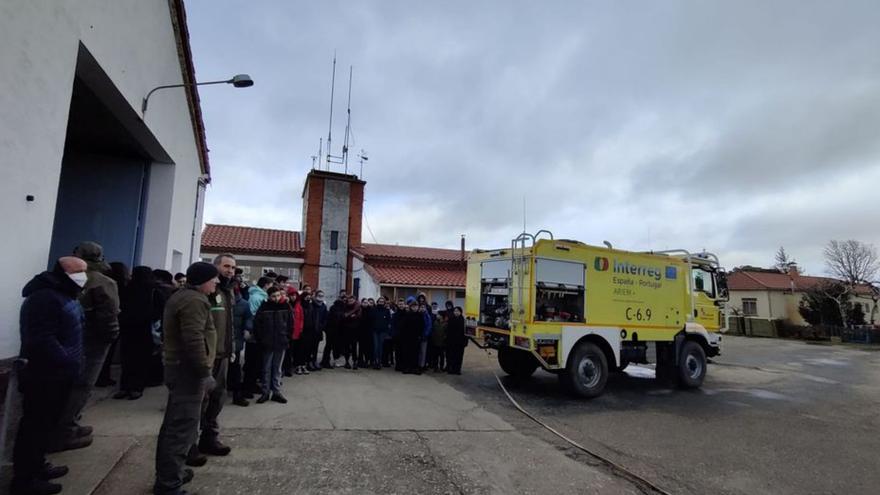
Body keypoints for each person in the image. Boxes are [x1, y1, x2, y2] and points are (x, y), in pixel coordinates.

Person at [11, 257, 87, 495]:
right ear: (64, 272)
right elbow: (42, 338)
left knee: (47, 423)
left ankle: (38, 465)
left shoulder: (65, 294)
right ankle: (24, 480)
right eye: (79, 271)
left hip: (61, 372)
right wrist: (66, 359)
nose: (84, 275)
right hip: (44, 373)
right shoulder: (45, 298)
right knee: (35, 425)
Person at [153, 262, 219, 495]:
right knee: (181, 428)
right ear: (203, 281)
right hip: (187, 372)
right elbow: (193, 339)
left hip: (180, 369)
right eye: (213, 279)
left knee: (174, 425)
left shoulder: (183, 297)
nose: (216, 283)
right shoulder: (194, 301)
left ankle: (172, 473)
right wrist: (205, 372)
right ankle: (169, 484)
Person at [50, 242, 119, 453]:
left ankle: (66, 425)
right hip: (92, 340)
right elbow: (110, 315)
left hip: (74, 339)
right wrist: (110, 337)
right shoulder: (103, 281)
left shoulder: (73, 279)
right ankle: (65, 428)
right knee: (82, 384)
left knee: (72, 384)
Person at [191, 254, 237, 463]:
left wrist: (231, 347)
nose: (230, 271)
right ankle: (189, 445)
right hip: (207, 356)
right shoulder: (207, 291)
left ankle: (209, 438)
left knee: (217, 399)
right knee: (199, 401)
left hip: (224, 354)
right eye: (226, 266)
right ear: (216, 267)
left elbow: (228, 324)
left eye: (233, 268)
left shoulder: (228, 291)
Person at [114, 266, 162, 400]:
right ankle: (135, 387)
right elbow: (160, 310)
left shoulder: (127, 289)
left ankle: (127, 387)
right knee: (141, 360)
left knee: (128, 359)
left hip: (130, 329)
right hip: (144, 330)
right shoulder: (154, 290)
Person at [253, 287, 291, 404]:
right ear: (269, 296)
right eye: (273, 296)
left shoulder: (285, 307)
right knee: (266, 368)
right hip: (267, 343)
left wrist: (286, 337)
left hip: (281, 342)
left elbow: (290, 324)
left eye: (278, 295)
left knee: (277, 368)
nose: (276, 298)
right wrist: (261, 339)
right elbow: (257, 325)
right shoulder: (264, 308)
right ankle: (265, 392)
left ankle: (276, 391)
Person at [96, 262, 131, 388]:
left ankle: (100, 376)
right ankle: (103, 376)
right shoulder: (124, 287)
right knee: (107, 352)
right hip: (115, 321)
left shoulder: (103, 283)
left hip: (99, 320)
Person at [242, 277, 272, 396]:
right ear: (265, 285)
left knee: (257, 362)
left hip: (260, 334)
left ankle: (252, 384)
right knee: (251, 362)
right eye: (270, 285)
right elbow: (253, 316)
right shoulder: (256, 297)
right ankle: (247, 387)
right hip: (254, 334)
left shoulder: (262, 296)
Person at [320, 292, 346, 369]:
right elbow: (338, 319)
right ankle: (327, 361)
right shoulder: (339, 308)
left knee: (329, 346)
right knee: (330, 346)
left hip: (332, 330)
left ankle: (326, 361)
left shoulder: (333, 307)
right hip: (333, 330)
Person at [284, 287, 306, 375]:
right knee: (288, 351)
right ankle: (287, 368)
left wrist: (300, 329)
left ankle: (293, 366)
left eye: (294, 295)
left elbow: (301, 318)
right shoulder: (286, 305)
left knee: (295, 350)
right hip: (288, 331)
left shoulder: (298, 306)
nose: (293, 297)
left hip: (296, 331)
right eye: (291, 295)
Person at [400, 297, 424, 374]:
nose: (415, 308)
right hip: (408, 338)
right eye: (413, 306)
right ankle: (407, 367)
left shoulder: (420, 316)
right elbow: (403, 327)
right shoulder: (407, 315)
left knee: (416, 353)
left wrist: (420, 335)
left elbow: (422, 326)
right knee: (407, 353)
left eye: (416, 306)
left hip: (417, 337)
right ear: (410, 307)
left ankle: (415, 368)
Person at [307, 290, 328, 370]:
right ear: (315, 295)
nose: (320, 297)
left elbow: (325, 317)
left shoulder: (323, 306)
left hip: (318, 330)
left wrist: (322, 326)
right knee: (309, 348)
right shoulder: (311, 305)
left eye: (322, 295)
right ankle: (309, 362)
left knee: (316, 347)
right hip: (311, 330)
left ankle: (314, 361)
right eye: (319, 295)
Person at [341, 296, 362, 369]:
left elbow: (359, 317)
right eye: (349, 300)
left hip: (355, 330)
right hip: (346, 330)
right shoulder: (345, 307)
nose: (350, 301)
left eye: (352, 300)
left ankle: (354, 362)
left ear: (354, 300)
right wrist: (351, 316)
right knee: (346, 347)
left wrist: (350, 316)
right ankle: (347, 362)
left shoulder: (358, 308)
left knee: (354, 347)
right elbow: (343, 316)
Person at [371, 297, 392, 369]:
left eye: (382, 301)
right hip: (375, 331)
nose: (381, 302)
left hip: (383, 332)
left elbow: (389, 321)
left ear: (384, 303)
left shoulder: (387, 311)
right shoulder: (374, 310)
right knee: (375, 347)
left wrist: (387, 331)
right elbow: (372, 320)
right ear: (377, 302)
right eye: (380, 301)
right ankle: (375, 361)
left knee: (380, 348)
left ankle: (379, 362)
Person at [446, 307, 468, 374]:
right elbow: (448, 331)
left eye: (458, 311)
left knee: (459, 357)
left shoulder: (463, 321)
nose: (456, 312)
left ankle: (457, 370)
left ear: (461, 312)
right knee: (451, 356)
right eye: (455, 311)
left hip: (460, 342)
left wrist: (465, 341)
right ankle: (451, 369)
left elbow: (466, 332)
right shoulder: (451, 319)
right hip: (451, 342)